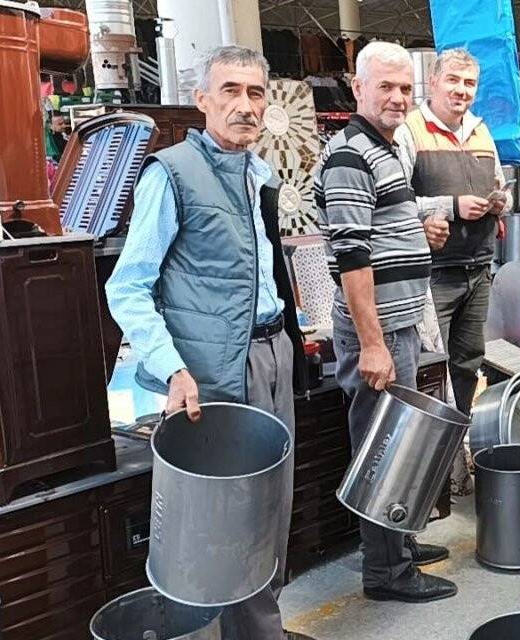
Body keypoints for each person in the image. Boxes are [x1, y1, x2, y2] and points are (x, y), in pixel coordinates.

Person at [105, 46, 312, 640]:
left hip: (271, 354)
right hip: (215, 371)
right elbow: (128, 288)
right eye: (229, 91)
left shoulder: (258, 174)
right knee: (234, 519)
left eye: (255, 93)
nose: (244, 106)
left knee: (273, 503)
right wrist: (173, 369)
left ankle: (262, 627)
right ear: (202, 101)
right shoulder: (171, 174)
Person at [315, 41, 456, 604]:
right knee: (381, 448)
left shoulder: (386, 147)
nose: (398, 97)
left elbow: (375, 234)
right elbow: (351, 258)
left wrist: (417, 233)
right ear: (358, 88)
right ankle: (386, 573)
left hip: (397, 326)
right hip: (375, 334)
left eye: (405, 88)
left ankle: (395, 546)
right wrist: (373, 344)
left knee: (395, 443)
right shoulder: (349, 154)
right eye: (386, 87)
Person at [396, 47, 505, 417]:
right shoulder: (409, 131)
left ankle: (460, 438)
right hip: (434, 275)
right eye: (453, 81)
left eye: (470, 83)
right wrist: (451, 206)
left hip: (478, 271)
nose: (462, 90)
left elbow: (498, 182)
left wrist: (500, 202)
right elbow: (394, 203)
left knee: (468, 362)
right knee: (431, 365)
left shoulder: (481, 131)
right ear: (434, 82)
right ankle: (438, 457)